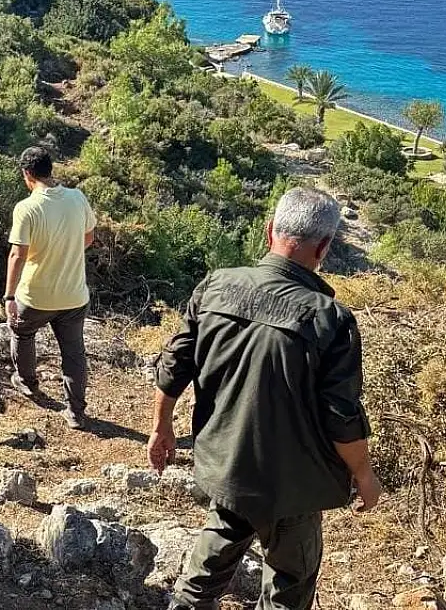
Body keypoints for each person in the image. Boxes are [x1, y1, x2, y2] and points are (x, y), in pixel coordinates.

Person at [146, 187, 381, 610]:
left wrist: (161, 426)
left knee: (202, 577)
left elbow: (174, 363)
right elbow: (340, 415)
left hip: (229, 464)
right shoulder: (331, 319)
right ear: (323, 248)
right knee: (289, 589)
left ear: (269, 230)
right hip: (293, 485)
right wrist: (364, 475)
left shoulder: (215, 286)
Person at [5, 147, 97, 430]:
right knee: (74, 352)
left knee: (22, 332)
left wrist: (9, 296)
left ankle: (27, 382)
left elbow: (17, 255)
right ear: (51, 170)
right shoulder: (77, 198)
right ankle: (76, 413)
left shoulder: (26, 208)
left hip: (36, 296)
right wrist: (64, 253)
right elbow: (88, 238)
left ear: (27, 174)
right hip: (74, 295)